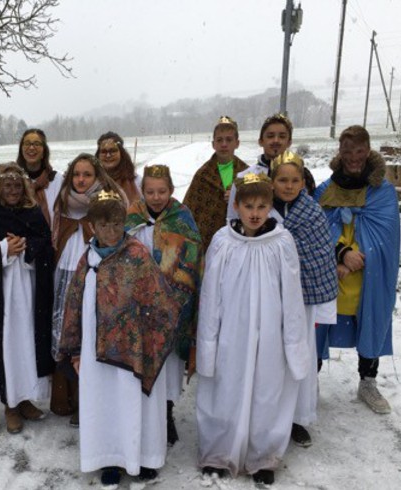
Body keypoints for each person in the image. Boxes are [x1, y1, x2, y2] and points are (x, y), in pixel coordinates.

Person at [59, 190, 178, 487]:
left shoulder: (137, 255)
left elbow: (160, 301)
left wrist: (150, 338)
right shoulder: (87, 260)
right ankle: (108, 458)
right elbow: (73, 303)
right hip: (95, 350)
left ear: (123, 222)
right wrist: (74, 348)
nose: (110, 231)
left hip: (135, 348)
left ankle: (145, 457)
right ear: (93, 226)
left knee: (135, 402)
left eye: (115, 224)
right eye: (103, 225)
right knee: (104, 403)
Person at [196, 174, 309, 486]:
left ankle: (264, 457)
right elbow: (211, 293)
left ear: (271, 206)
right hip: (232, 332)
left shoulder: (281, 243)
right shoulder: (222, 241)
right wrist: (209, 338)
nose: (255, 213)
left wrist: (292, 340)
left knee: (266, 391)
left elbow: (291, 294)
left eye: (262, 206)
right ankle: (218, 453)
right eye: (248, 206)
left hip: (270, 332)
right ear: (237, 206)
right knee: (226, 388)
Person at [313, 125, 401, 414]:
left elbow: (386, 237)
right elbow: (315, 231)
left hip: (368, 274)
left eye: (359, 151)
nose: (353, 158)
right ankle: (307, 382)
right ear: (340, 152)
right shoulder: (326, 190)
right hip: (332, 273)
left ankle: (368, 381)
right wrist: (341, 254)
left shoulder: (382, 191)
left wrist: (362, 256)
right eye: (347, 151)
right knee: (316, 325)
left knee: (372, 319)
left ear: (368, 150)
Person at [0, 163, 55, 435]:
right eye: (7, 185)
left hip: (29, 290)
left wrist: (28, 247)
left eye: (17, 186)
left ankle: (27, 398)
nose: (12, 191)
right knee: (7, 345)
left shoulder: (32, 211)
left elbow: (45, 242)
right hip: (2, 291)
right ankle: (10, 404)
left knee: (28, 343)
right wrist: (3, 249)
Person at [126, 164, 202, 447]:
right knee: (142, 360)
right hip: (139, 307)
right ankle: (144, 415)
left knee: (168, 365)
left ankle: (167, 413)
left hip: (173, 306)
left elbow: (193, 258)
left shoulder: (182, 218)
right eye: (150, 191)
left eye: (161, 191)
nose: (156, 197)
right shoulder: (131, 217)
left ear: (171, 190)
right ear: (142, 191)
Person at [269, 151, 339, 447]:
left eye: (294, 180)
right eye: (282, 179)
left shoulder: (311, 213)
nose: (288, 185)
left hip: (303, 300)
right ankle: (269, 415)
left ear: (303, 182)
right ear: (271, 182)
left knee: (298, 357)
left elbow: (319, 256)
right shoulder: (260, 209)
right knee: (269, 359)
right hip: (269, 299)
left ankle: (297, 418)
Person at [49, 153, 124, 426]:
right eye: (77, 175)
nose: (81, 180)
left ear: (97, 178)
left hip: (96, 279)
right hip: (65, 276)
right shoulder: (62, 202)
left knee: (92, 336)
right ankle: (64, 397)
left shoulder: (108, 203)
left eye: (87, 175)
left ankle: (90, 403)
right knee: (66, 336)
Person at [183, 116, 248, 251]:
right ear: (213, 144)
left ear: (237, 143)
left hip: (241, 241)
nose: (224, 144)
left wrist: (238, 197)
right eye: (219, 140)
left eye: (229, 140)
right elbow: (188, 212)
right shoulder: (203, 175)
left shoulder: (247, 173)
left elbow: (259, 205)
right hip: (208, 242)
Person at [226, 113, 293, 221]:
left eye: (282, 136)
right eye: (270, 136)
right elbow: (232, 218)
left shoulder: (303, 176)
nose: (276, 140)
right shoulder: (244, 178)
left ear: (289, 142)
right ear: (261, 141)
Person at [16, 128, 63, 226]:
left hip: (52, 238)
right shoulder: (15, 181)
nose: (32, 148)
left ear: (44, 151)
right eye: (27, 143)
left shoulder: (57, 180)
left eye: (36, 144)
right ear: (21, 150)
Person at [95, 131, 142, 203]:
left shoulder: (136, 181)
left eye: (113, 151)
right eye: (104, 152)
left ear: (121, 153)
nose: (108, 155)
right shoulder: (91, 180)